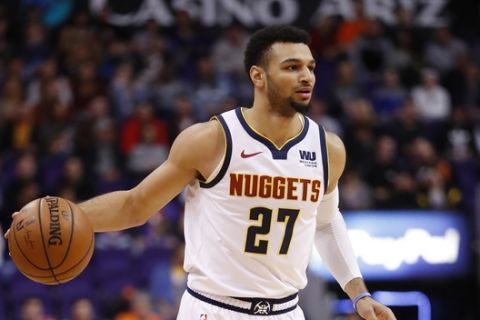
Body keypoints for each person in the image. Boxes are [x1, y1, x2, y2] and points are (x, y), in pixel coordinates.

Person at [6, 25, 395, 320]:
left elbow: (326, 224)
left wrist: (358, 292)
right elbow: (135, 205)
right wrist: (52, 219)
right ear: (257, 76)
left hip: (287, 311)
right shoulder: (212, 140)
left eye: (309, 67)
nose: (306, 76)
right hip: (213, 309)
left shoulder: (328, 149)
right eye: (291, 67)